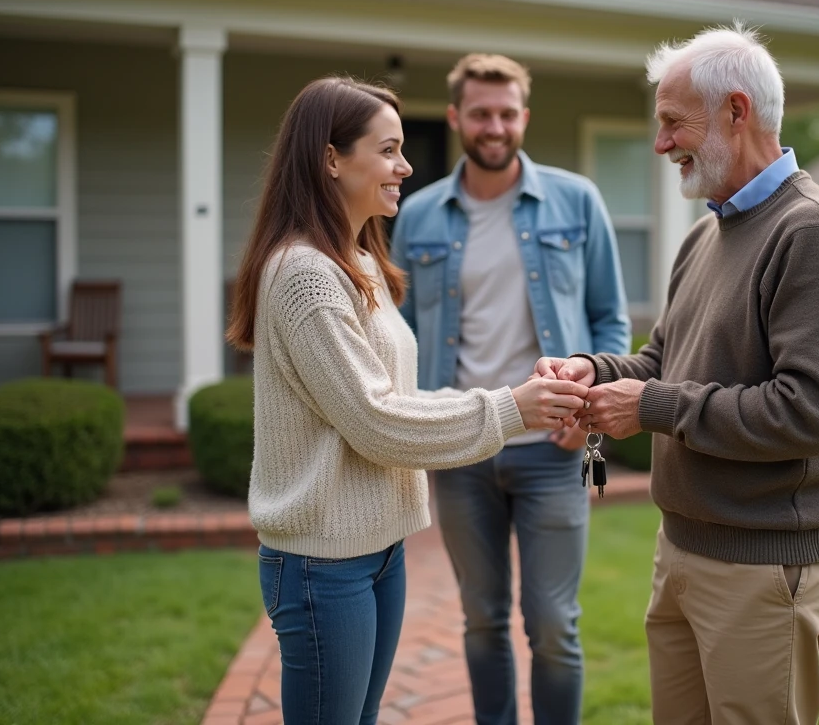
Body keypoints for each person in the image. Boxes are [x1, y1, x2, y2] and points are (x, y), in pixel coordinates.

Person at [537, 23, 819, 724]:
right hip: (685, 550)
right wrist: (594, 369)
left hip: (764, 571)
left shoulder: (809, 231)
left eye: (671, 123)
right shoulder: (707, 233)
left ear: (736, 110)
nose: (660, 144)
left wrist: (653, 406)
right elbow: (665, 361)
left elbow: (809, 413)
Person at [225, 76, 590, 725]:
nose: (407, 165)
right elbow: (375, 420)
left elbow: (396, 398)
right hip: (321, 563)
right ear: (331, 159)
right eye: (389, 149)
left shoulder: (357, 262)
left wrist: (518, 398)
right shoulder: (306, 273)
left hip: (378, 546)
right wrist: (512, 408)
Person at [391, 54, 630, 725]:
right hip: (463, 446)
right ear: (455, 118)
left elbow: (611, 317)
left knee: (554, 624)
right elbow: (403, 337)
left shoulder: (576, 199)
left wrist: (588, 416)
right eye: (480, 113)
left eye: (506, 113)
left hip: (554, 447)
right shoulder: (418, 216)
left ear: (523, 116)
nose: (493, 126)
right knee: (481, 619)